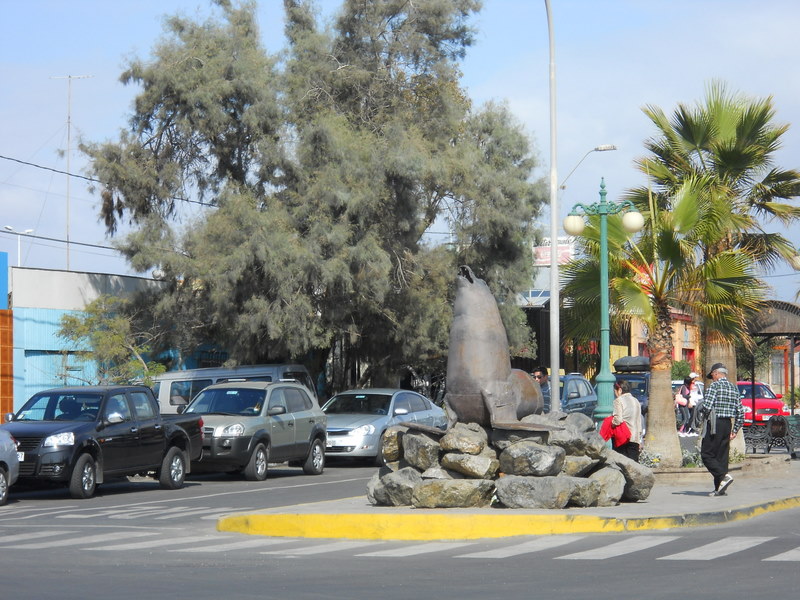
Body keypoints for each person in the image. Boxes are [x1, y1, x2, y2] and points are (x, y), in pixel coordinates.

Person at [698, 363, 745, 497]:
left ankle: (723, 476)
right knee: (721, 456)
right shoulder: (733, 388)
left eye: (712, 375)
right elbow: (740, 413)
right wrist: (735, 430)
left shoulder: (715, 386)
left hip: (715, 424)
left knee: (706, 454)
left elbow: (707, 406)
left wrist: (700, 409)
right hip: (727, 424)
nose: (712, 378)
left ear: (717, 373)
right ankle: (719, 489)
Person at [612, 379, 643, 462]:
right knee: (634, 465)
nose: (615, 394)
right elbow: (639, 421)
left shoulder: (618, 401)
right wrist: (640, 439)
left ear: (620, 390)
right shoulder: (636, 401)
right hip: (635, 438)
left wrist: (611, 423)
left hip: (623, 438)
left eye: (615, 391)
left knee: (621, 464)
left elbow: (618, 419)